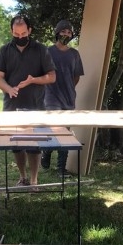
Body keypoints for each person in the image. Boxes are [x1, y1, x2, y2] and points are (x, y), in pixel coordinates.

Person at [0, 15, 56, 186]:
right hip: (11, 107)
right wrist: (9, 89)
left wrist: (33, 80)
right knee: (16, 144)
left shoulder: (41, 50)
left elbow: (51, 77)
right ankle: (22, 177)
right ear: (11, 31)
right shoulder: (4, 50)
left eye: (23, 33)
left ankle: (34, 179)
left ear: (29, 30)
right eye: (16, 33)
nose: (20, 37)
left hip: (35, 106)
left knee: (34, 146)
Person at [41, 20, 84, 177]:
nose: (66, 34)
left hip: (68, 98)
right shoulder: (48, 52)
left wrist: (69, 88)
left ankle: (55, 162)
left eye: (69, 32)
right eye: (63, 31)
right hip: (51, 97)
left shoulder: (74, 54)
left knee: (65, 132)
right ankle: (52, 160)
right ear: (57, 33)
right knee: (57, 130)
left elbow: (77, 76)